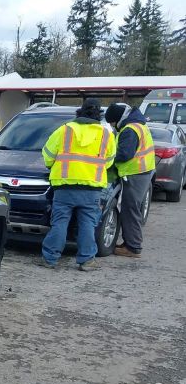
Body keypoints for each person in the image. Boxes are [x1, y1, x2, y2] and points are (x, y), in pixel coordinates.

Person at [40, 98, 115, 271]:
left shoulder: (65, 130)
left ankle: (50, 259)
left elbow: (48, 155)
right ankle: (87, 260)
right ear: (99, 115)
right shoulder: (106, 135)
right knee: (88, 223)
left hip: (65, 187)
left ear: (80, 112)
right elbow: (109, 162)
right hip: (92, 188)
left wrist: (54, 166)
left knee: (60, 222)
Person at [103, 103, 155, 258]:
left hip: (135, 173)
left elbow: (124, 154)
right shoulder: (137, 125)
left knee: (130, 209)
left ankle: (133, 247)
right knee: (133, 209)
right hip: (142, 171)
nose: (112, 126)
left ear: (117, 119)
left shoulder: (130, 130)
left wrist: (106, 159)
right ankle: (130, 243)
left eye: (112, 122)